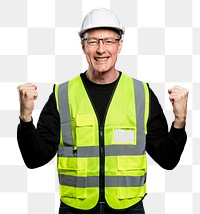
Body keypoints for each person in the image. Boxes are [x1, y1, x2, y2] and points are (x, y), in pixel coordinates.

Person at [17, 8, 189, 214]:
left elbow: (167, 159)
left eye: (108, 41)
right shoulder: (63, 94)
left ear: (119, 45)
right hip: (75, 208)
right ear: (83, 46)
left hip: (128, 208)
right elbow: (35, 159)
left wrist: (179, 121)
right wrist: (26, 118)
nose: (101, 49)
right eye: (93, 42)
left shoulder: (140, 94)